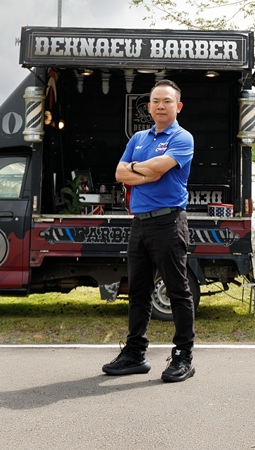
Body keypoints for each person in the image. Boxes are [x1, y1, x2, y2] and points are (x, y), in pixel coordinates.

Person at [102, 79, 196, 383]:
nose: (160, 106)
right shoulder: (138, 138)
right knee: (138, 292)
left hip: (169, 223)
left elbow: (152, 170)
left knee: (178, 291)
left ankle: (183, 356)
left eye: (167, 101)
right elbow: (118, 173)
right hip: (140, 223)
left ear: (177, 106)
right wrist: (148, 170)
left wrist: (137, 171)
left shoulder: (183, 138)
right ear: (149, 106)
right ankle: (135, 354)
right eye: (155, 101)